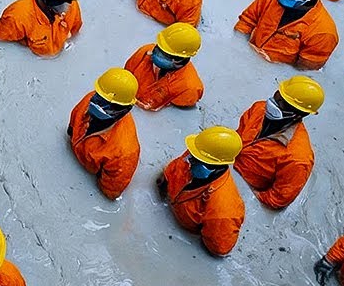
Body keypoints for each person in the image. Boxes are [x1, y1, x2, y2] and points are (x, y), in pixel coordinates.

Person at [234, 76, 321, 209]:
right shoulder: (258, 109)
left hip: (246, 186)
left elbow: (278, 199)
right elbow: (236, 139)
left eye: (281, 103)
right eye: (276, 96)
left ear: (297, 114)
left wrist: (246, 196)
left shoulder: (298, 158)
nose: (272, 103)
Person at [157, 126, 245, 256]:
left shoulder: (223, 208)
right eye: (192, 155)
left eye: (195, 158)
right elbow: (172, 171)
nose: (189, 159)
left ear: (215, 165)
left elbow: (219, 248)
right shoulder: (196, 155)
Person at [235, 0, 338, 70]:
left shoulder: (323, 32)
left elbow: (305, 70)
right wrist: (239, 46)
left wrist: (271, 67)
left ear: (309, 0)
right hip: (248, 52)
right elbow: (246, 21)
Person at [68, 68, 140, 199]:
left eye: (108, 104)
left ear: (125, 110)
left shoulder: (125, 152)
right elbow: (72, 124)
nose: (98, 104)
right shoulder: (91, 99)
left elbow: (110, 191)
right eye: (99, 98)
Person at [126, 22, 203, 111]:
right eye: (158, 48)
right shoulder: (144, 52)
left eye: (165, 54)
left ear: (180, 59)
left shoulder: (189, 88)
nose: (156, 53)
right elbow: (127, 72)